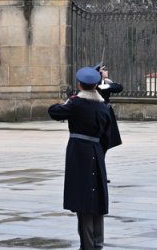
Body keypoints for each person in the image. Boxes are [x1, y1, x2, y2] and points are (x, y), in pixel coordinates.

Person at [48, 67, 120, 250]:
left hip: (79, 152)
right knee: (97, 198)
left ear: (80, 85)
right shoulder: (103, 107)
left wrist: (67, 102)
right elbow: (107, 136)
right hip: (96, 151)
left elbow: (54, 112)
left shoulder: (76, 104)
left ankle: (87, 245)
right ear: (96, 85)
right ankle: (98, 242)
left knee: (84, 200)